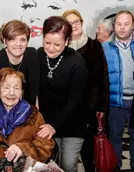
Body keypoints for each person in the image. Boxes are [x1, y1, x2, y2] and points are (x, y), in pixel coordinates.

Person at [37, 16, 88, 172]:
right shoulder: (38, 55)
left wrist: (54, 126)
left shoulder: (76, 62)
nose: (51, 48)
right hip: (46, 121)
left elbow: (75, 99)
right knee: (50, 163)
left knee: (67, 164)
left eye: (57, 44)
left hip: (73, 122)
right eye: (47, 43)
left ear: (66, 42)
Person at [62, 9, 110, 172]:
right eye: (70, 23)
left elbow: (104, 76)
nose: (74, 25)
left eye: (77, 21)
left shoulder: (95, 46)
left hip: (89, 108)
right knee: (66, 157)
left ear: (81, 23)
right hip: (67, 109)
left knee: (89, 153)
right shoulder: (61, 47)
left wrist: (102, 107)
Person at [103, 10, 134, 172]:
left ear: (133, 26)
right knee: (115, 136)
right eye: (119, 24)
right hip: (115, 102)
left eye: (126, 24)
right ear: (114, 26)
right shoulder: (105, 48)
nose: (122, 28)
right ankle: (116, 167)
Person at [0, 20, 40, 107]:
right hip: (3, 110)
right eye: (13, 39)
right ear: (5, 41)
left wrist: (34, 116)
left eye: (23, 40)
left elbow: (34, 92)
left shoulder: (32, 55)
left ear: (27, 42)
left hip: (27, 109)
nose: (18, 44)